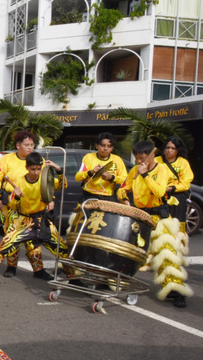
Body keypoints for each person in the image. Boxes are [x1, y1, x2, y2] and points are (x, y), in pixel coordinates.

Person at [118, 140, 192, 308]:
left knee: (167, 255)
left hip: (159, 217)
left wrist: (145, 175)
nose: (138, 162)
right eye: (136, 159)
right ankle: (114, 281)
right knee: (129, 251)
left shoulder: (162, 169)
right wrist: (123, 198)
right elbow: (123, 188)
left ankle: (175, 290)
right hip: (140, 215)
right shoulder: (135, 170)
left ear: (151, 156)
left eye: (142, 159)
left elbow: (159, 191)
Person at [0, 152, 65, 289]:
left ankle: (74, 278)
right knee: (3, 248)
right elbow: (13, 205)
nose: (36, 172)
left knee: (62, 248)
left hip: (41, 219)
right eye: (33, 169)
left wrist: (58, 170)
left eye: (38, 169)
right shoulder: (19, 181)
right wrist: (16, 197)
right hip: (22, 220)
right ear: (27, 168)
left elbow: (61, 185)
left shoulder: (45, 178)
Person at [0, 129, 37, 278]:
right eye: (27, 145)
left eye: (32, 145)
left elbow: (45, 182)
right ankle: (11, 266)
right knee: (11, 235)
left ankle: (38, 269)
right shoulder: (7, 159)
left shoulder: (36, 160)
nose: (30, 148)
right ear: (18, 145)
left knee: (33, 237)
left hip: (32, 204)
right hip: (11, 204)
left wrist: (50, 200)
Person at [155, 136, 194, 234]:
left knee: (176, 225)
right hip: (158, 197)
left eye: (173, 148)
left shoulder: (183, 163)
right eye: (167, 148)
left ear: (178, 150)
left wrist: (172, 188)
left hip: (177, 197)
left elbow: (186, 183)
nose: (169, 150)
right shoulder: (156, 161)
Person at [74, 132, 127, 201]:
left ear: (112, 148)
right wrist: (91, 172)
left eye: (109, 146)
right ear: (97, 146)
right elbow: (77, 177)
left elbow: (125, 180)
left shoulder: (117, 160)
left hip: (108, 197)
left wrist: (111, 177)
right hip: (88, 196)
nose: (105, 149)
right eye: (103, 145)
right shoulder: (88, 157)